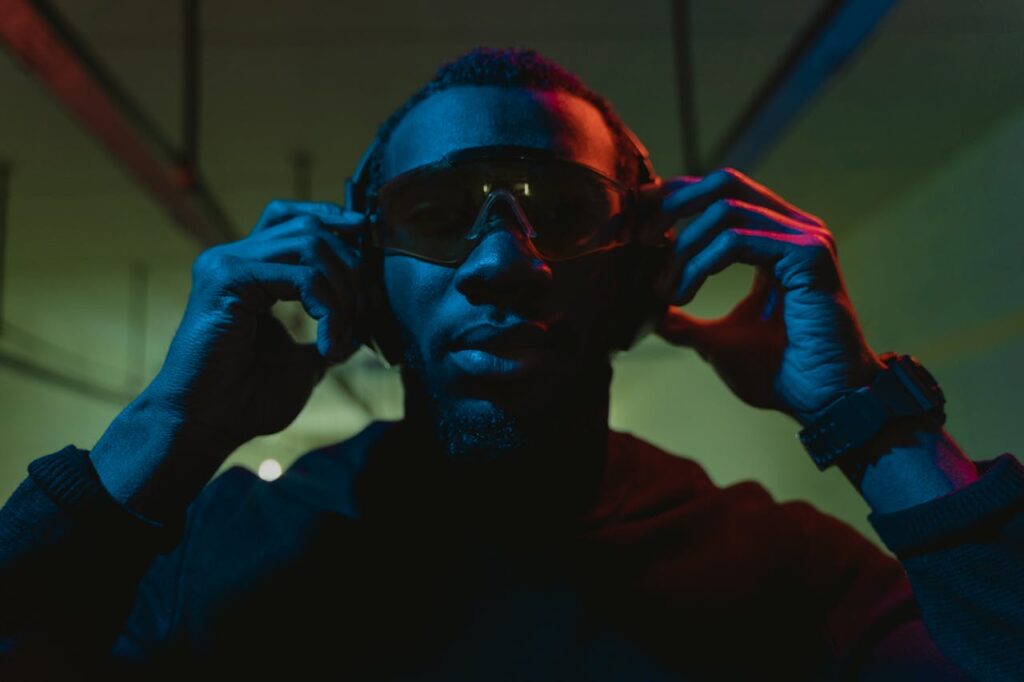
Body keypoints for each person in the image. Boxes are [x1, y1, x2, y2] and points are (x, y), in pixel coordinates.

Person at [1, 46, 1021, 681]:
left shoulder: (785, 576)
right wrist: (167, 429)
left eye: (566, 215)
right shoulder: (214, 555)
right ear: (362, 280)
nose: (502, 262)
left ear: (638, 277)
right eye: (437, 217)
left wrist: (867, 415)